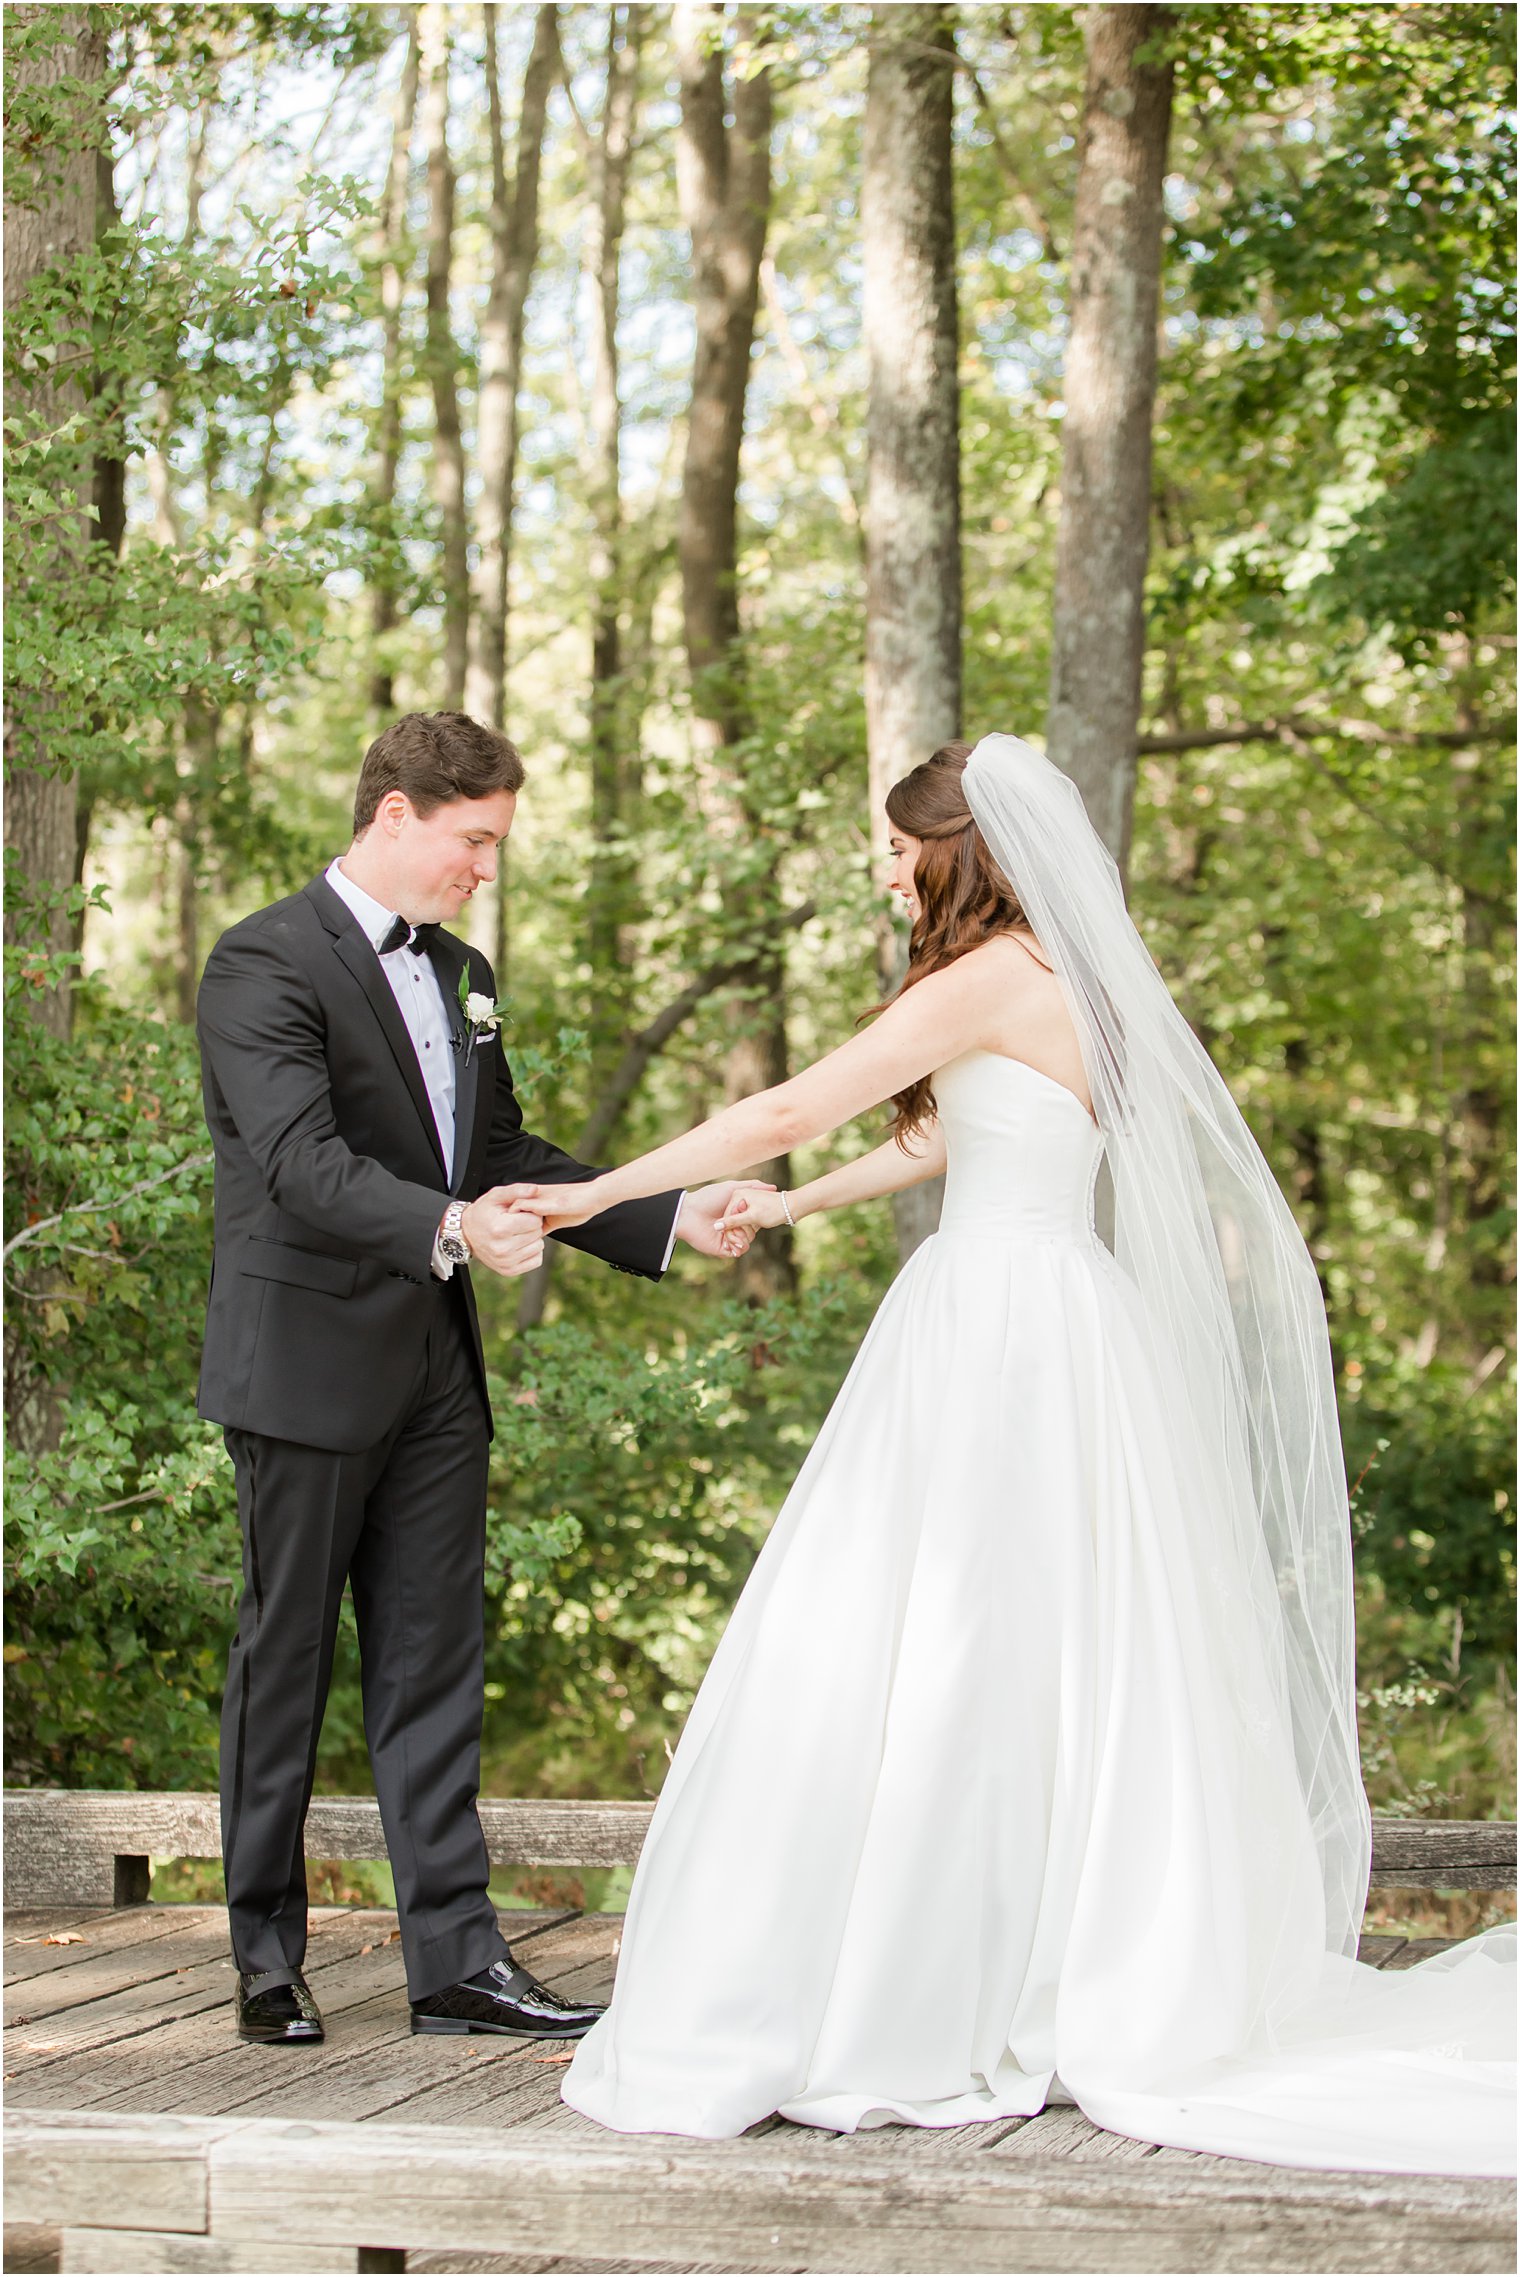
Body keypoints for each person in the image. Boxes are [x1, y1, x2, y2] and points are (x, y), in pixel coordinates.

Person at [527, 734, 1513, 2176]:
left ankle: (938, 1992)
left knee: (947, 1651)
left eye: (894, 839)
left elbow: (798, 1101)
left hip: (993, 1333)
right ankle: (1029, 1966)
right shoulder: (1073, 975)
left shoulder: (984, 973)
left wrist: (588, 1192)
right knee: (1035, 1660)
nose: (881, 859)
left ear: (960, 845)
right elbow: (946, 1147)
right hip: (1064, 1324)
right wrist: (789, 1213)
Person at [196, 711, 753, 2049]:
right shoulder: (261, 960)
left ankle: (456, 1957)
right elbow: (298, 1161)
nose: (485, 868)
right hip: (307, 1363)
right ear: (394, 815)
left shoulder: (465, 973)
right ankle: (266, 1954)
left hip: (436, 1376)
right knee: (287, 1659)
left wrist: (664, 1213)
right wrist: (453, 1229)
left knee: (435, 1663)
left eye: (495, 843)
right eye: (472, 841)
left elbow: (502, 1146)